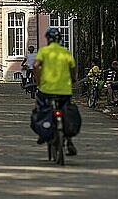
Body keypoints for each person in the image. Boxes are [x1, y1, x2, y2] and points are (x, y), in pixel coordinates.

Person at [34, 27, 78, 156]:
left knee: (40, 108)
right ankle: (69, 141)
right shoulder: (65, 52)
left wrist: (38, 81)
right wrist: (73, 79)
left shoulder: (44, 51)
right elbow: (73, 68)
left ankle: (44, 132)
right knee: (67, 111)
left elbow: (36, 66)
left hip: (46, 89)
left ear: (48, 39)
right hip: (65, 90)